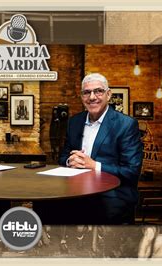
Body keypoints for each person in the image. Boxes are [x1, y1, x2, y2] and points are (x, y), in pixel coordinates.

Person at [58, 73, 143, 224]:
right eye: (86, 92)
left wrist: (94, 165)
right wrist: (70, 161)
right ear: (82, 96)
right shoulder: (74, 122)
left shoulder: (126, 124)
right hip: (77, 192)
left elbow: (131, 171)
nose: (92, 97)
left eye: (98, 91)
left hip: (112, 195)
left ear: (108, 94)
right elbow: (63, 156)